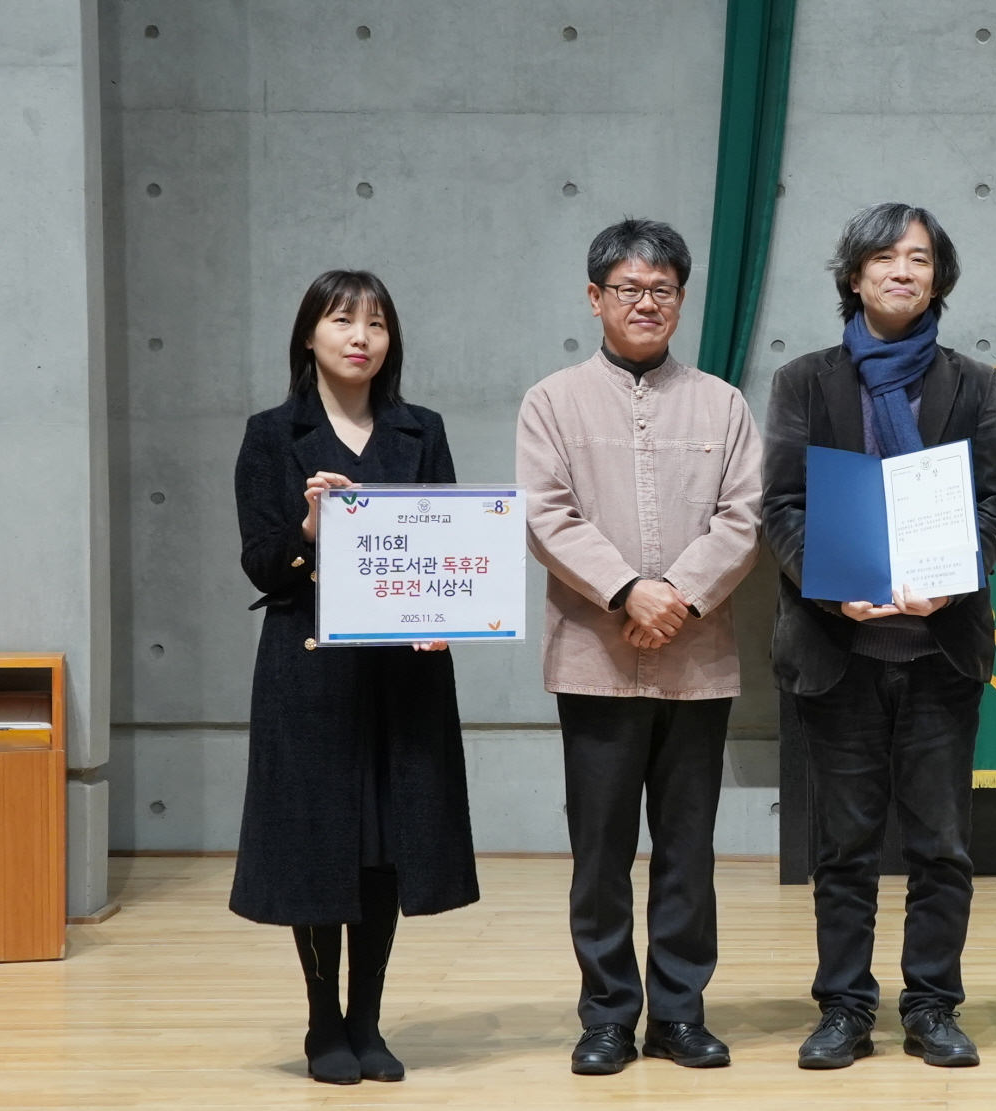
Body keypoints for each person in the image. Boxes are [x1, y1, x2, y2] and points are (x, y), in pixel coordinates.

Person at [761, 202, 996, 1070]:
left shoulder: (972, 383)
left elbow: (995, 507)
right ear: (854, 275)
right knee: (842, 848)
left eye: (919, 258)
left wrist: (955, 577)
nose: (902, 271)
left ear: (937, 277)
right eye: (885, 257)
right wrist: (834, 595)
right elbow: (783, 509)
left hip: (941, 650)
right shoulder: (805, 381)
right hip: (840, 654)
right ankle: (843, 1007)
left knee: (942, 845)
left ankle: (933, 1005)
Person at [516, 219, 764, 1076]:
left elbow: (745, 517)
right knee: (600, 852)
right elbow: (545, 515)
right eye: (629, 288)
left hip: (697, 661)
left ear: (682, 300)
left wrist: (679, 596)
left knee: (689, 852)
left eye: (662, 289)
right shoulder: (551, 400)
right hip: (594, 658)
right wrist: (628, 590)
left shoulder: (722, 403)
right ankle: (609, 1015)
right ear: (595, 298)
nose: (646, 302)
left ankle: (681, 1015)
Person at [231, 270, 479, 1085]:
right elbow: (259, 562)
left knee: (385, 842)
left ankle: (367, 1018)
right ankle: (321, 1021)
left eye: (375, 322)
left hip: (403, 670)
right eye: (341, 320)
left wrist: (448, 619)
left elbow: (445, 545)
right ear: (310, 336)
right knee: (317, 839)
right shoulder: (272, 434)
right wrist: (308, 528)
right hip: (309, 665)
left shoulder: (420, 430)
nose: (360, 335)